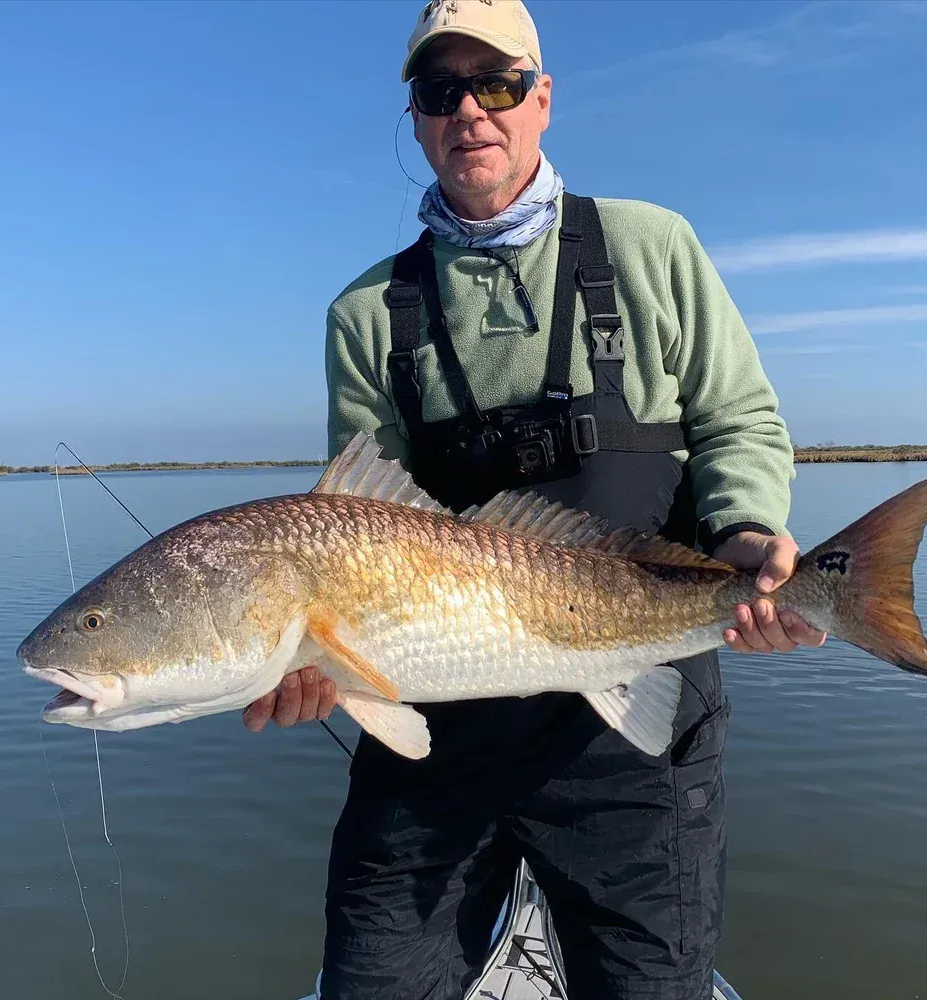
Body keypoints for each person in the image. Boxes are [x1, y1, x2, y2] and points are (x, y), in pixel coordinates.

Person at [244, 2, 826, 997]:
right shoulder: (363, 314)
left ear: (542, 99)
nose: (470, 108)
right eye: (441, 89)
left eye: (498, 83)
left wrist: (743, 531)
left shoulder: (653, 247)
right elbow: (353, 529)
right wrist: (318, 655)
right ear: (419, 118)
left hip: (632, 736)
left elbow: (738, 420)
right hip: (431, 733)